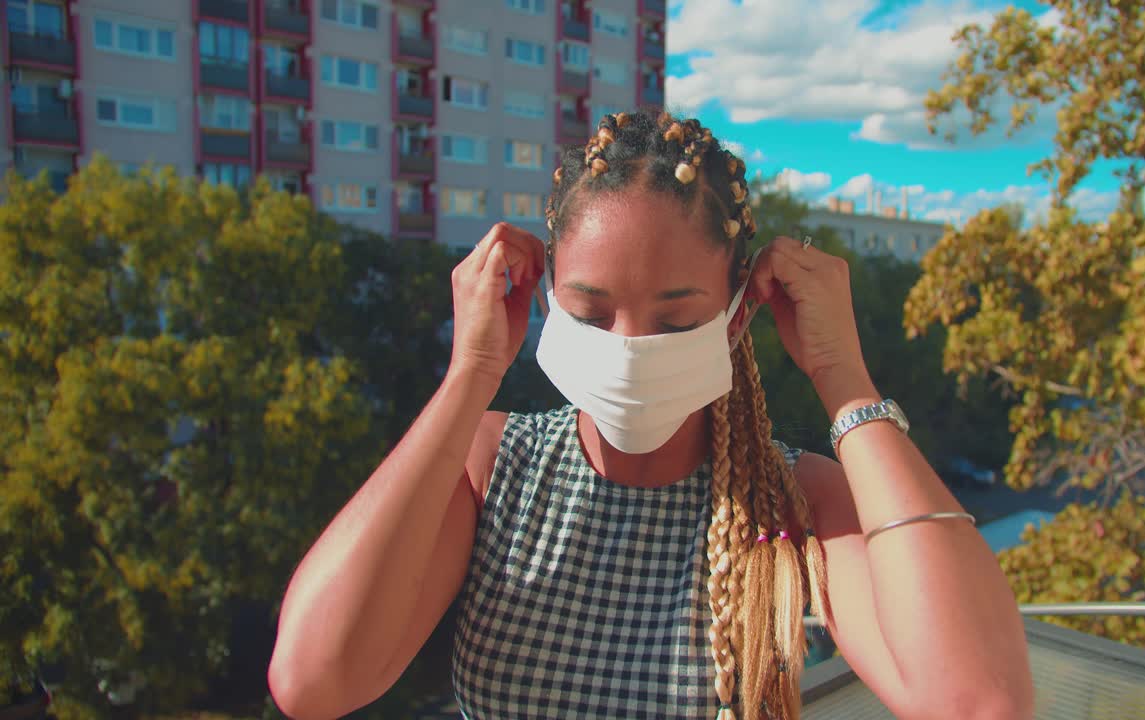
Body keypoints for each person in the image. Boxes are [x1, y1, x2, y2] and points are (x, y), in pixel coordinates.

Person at [266, 108, 1034, 720]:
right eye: (591, 312)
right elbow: (314, 680)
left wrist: (845, 379)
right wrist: (469, 375)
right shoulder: (494, 469)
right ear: (548, 301)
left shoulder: (795, 504)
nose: (628, 350)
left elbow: (977, 704)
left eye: (674, 322)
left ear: (736, 317)